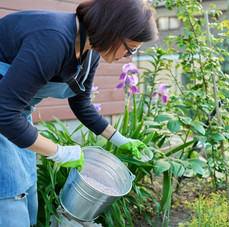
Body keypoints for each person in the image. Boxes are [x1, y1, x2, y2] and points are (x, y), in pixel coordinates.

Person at [0, 0, 158, 225]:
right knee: (10, 195)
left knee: (27, 188)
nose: (128, 57)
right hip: (4, 115)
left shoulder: (90, 51)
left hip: (14, 114)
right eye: (130, 48)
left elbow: (81, 103)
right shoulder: (53, 39)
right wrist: (59, 152)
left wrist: (119, 139)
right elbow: (4, 114)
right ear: (113, 30)